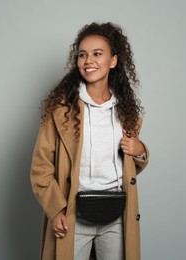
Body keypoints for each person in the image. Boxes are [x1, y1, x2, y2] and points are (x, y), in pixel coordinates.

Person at [30, 22, 149, 260]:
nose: (88, 60)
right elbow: (40, 169)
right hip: (72, 213)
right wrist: (56, 210)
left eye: (97, 54)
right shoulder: (61, 111)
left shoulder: (125, 113)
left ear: (113, 61)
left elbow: (130, 163)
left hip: (117, 215)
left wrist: (140, 151)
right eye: (82, 55)